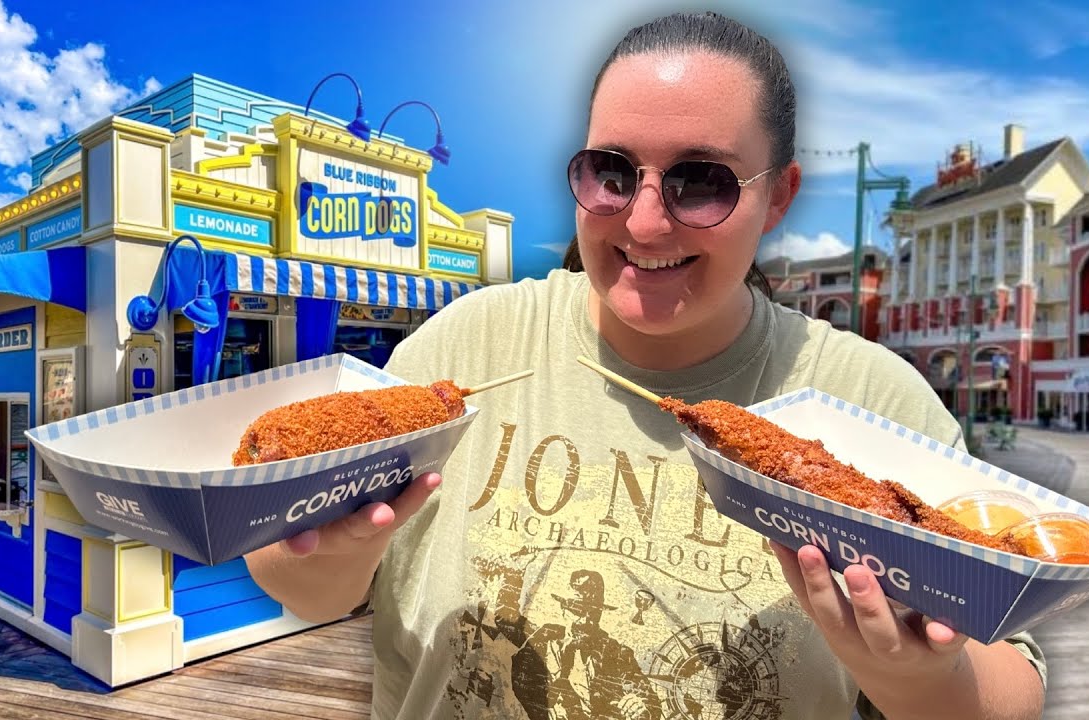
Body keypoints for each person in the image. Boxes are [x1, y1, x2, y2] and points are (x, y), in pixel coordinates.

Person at [245, 11, 1047, 719]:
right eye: (613, 173)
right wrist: (334, 552)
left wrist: (917, 676)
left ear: (779, 196)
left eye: (702, 182)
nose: (646, 221)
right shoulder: (465, 346)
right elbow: (307, 585)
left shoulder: (870, 397)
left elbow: (1010, 685)